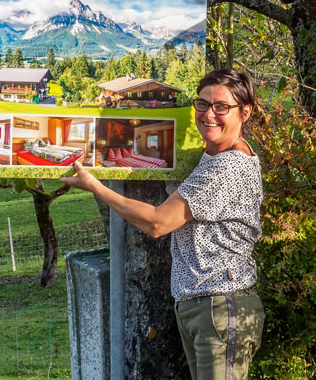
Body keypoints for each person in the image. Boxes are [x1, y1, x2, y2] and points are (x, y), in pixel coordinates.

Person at [60, 68, 264, 380]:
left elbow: (158, 223)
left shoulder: (227, 165)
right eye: (202, 104)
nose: (209, 114)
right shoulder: (213, 156)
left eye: (221, 107)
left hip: (219, 305)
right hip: (203, 303)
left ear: (245, 112)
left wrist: (96, 187)